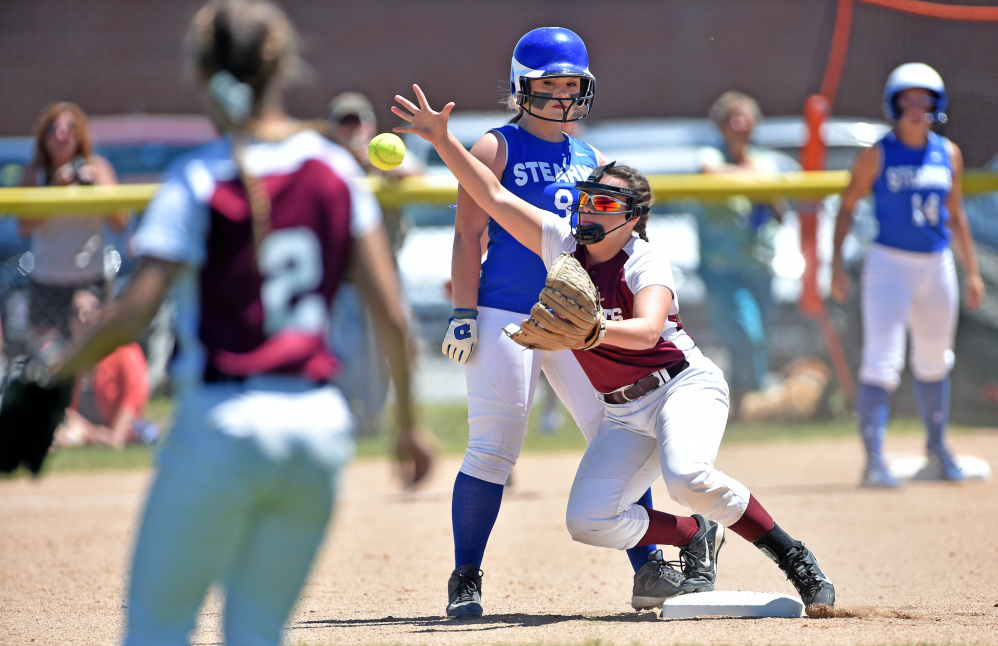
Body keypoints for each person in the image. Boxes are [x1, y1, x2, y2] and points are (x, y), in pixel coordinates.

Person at [49, 1, 433, 643]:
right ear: (282, 67)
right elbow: (393, 315)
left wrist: (52, 375)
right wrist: (409, 427)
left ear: (203, 75)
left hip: (222, 426)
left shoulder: (198, 177)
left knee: (158, 627)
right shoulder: (335, 170)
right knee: (255, 633)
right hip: (316, 430)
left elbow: (133, 314)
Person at [394, 84, 837, 614]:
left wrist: (591, 332)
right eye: (584, 200)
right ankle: (692, 534)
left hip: (681, 389)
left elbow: (648, 330)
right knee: (588, 519)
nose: (586, 211)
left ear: (632, 216)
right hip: (625, 413)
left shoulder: (645, 259)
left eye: (603, 204)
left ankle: (793, 556)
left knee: (688, 478)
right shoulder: (561, 240)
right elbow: (491, 196)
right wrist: (443, 142)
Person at [439, 27, 658, 618]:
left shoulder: (588, 156)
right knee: (494, 447)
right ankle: (466, 577)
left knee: (619, 434)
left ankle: (653, 566)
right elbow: (467, 235)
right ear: (521, 87)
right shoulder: (495, 146)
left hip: (575, 320)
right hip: (505, 310)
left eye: (570, 85)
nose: (561, 95)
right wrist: (463, 312)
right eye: (549, 84)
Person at [830, 63, 985, 488]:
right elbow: (846, 207)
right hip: (889, 264)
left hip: (937, 265)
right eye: (907, 100)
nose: (917, 109)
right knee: (882, 361)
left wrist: (971, 270)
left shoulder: (948, 152)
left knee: (936, 358)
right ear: (893, 106)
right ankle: (874, 460)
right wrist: (836, 265)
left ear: (938, 106)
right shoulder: (877, 153)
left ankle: (938, 451)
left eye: (925, 100)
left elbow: (955, 214)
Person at [696, 91, 785, 416]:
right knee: (746, 335)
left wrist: (768, 190)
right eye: (733, 117)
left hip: (760, 266)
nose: (740, 124)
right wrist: (756, 180)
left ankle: (742, 407)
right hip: (722, 270)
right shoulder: (711, 155)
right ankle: (757, 397)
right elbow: (709, 172)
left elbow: (780, 208)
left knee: (758, 339)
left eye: (745, 117)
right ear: (722, 124)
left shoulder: (765, 160)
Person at [18, 102, 129, 342]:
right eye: (53, 129)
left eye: (70, 128)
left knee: (92, 349)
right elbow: (24, 227)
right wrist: (55, 188)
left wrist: (95, 188)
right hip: (48, 277)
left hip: (91, 276)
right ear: (43, 137)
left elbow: (120, 222)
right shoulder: (35, 172)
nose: (61, 135)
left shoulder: (98, 168)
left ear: (80, 134)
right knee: (48, 356)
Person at [54, 287, 155, 449]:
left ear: (103, 314)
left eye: (90, 310)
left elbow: (133, 398)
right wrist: (91, 433)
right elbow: (59, 405)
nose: (82, 318)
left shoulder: (125, 352)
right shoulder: (66, 359)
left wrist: (111, 435)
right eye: (75, 312)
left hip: (122, 431)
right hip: (81, 431)